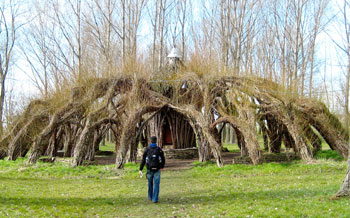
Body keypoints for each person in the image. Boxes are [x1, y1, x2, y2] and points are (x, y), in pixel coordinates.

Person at [139, 136, 165, 203]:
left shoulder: (147, 149)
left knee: (150, 183)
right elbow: (163, 158)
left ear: (150, 141)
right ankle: (155, 199)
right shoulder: (159, 149)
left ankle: (150, 196)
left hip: (149, 169)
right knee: (156, 184)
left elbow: (143, 160)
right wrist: (162, 166)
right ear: (156, 141)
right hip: (157, 169)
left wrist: (140, 169)